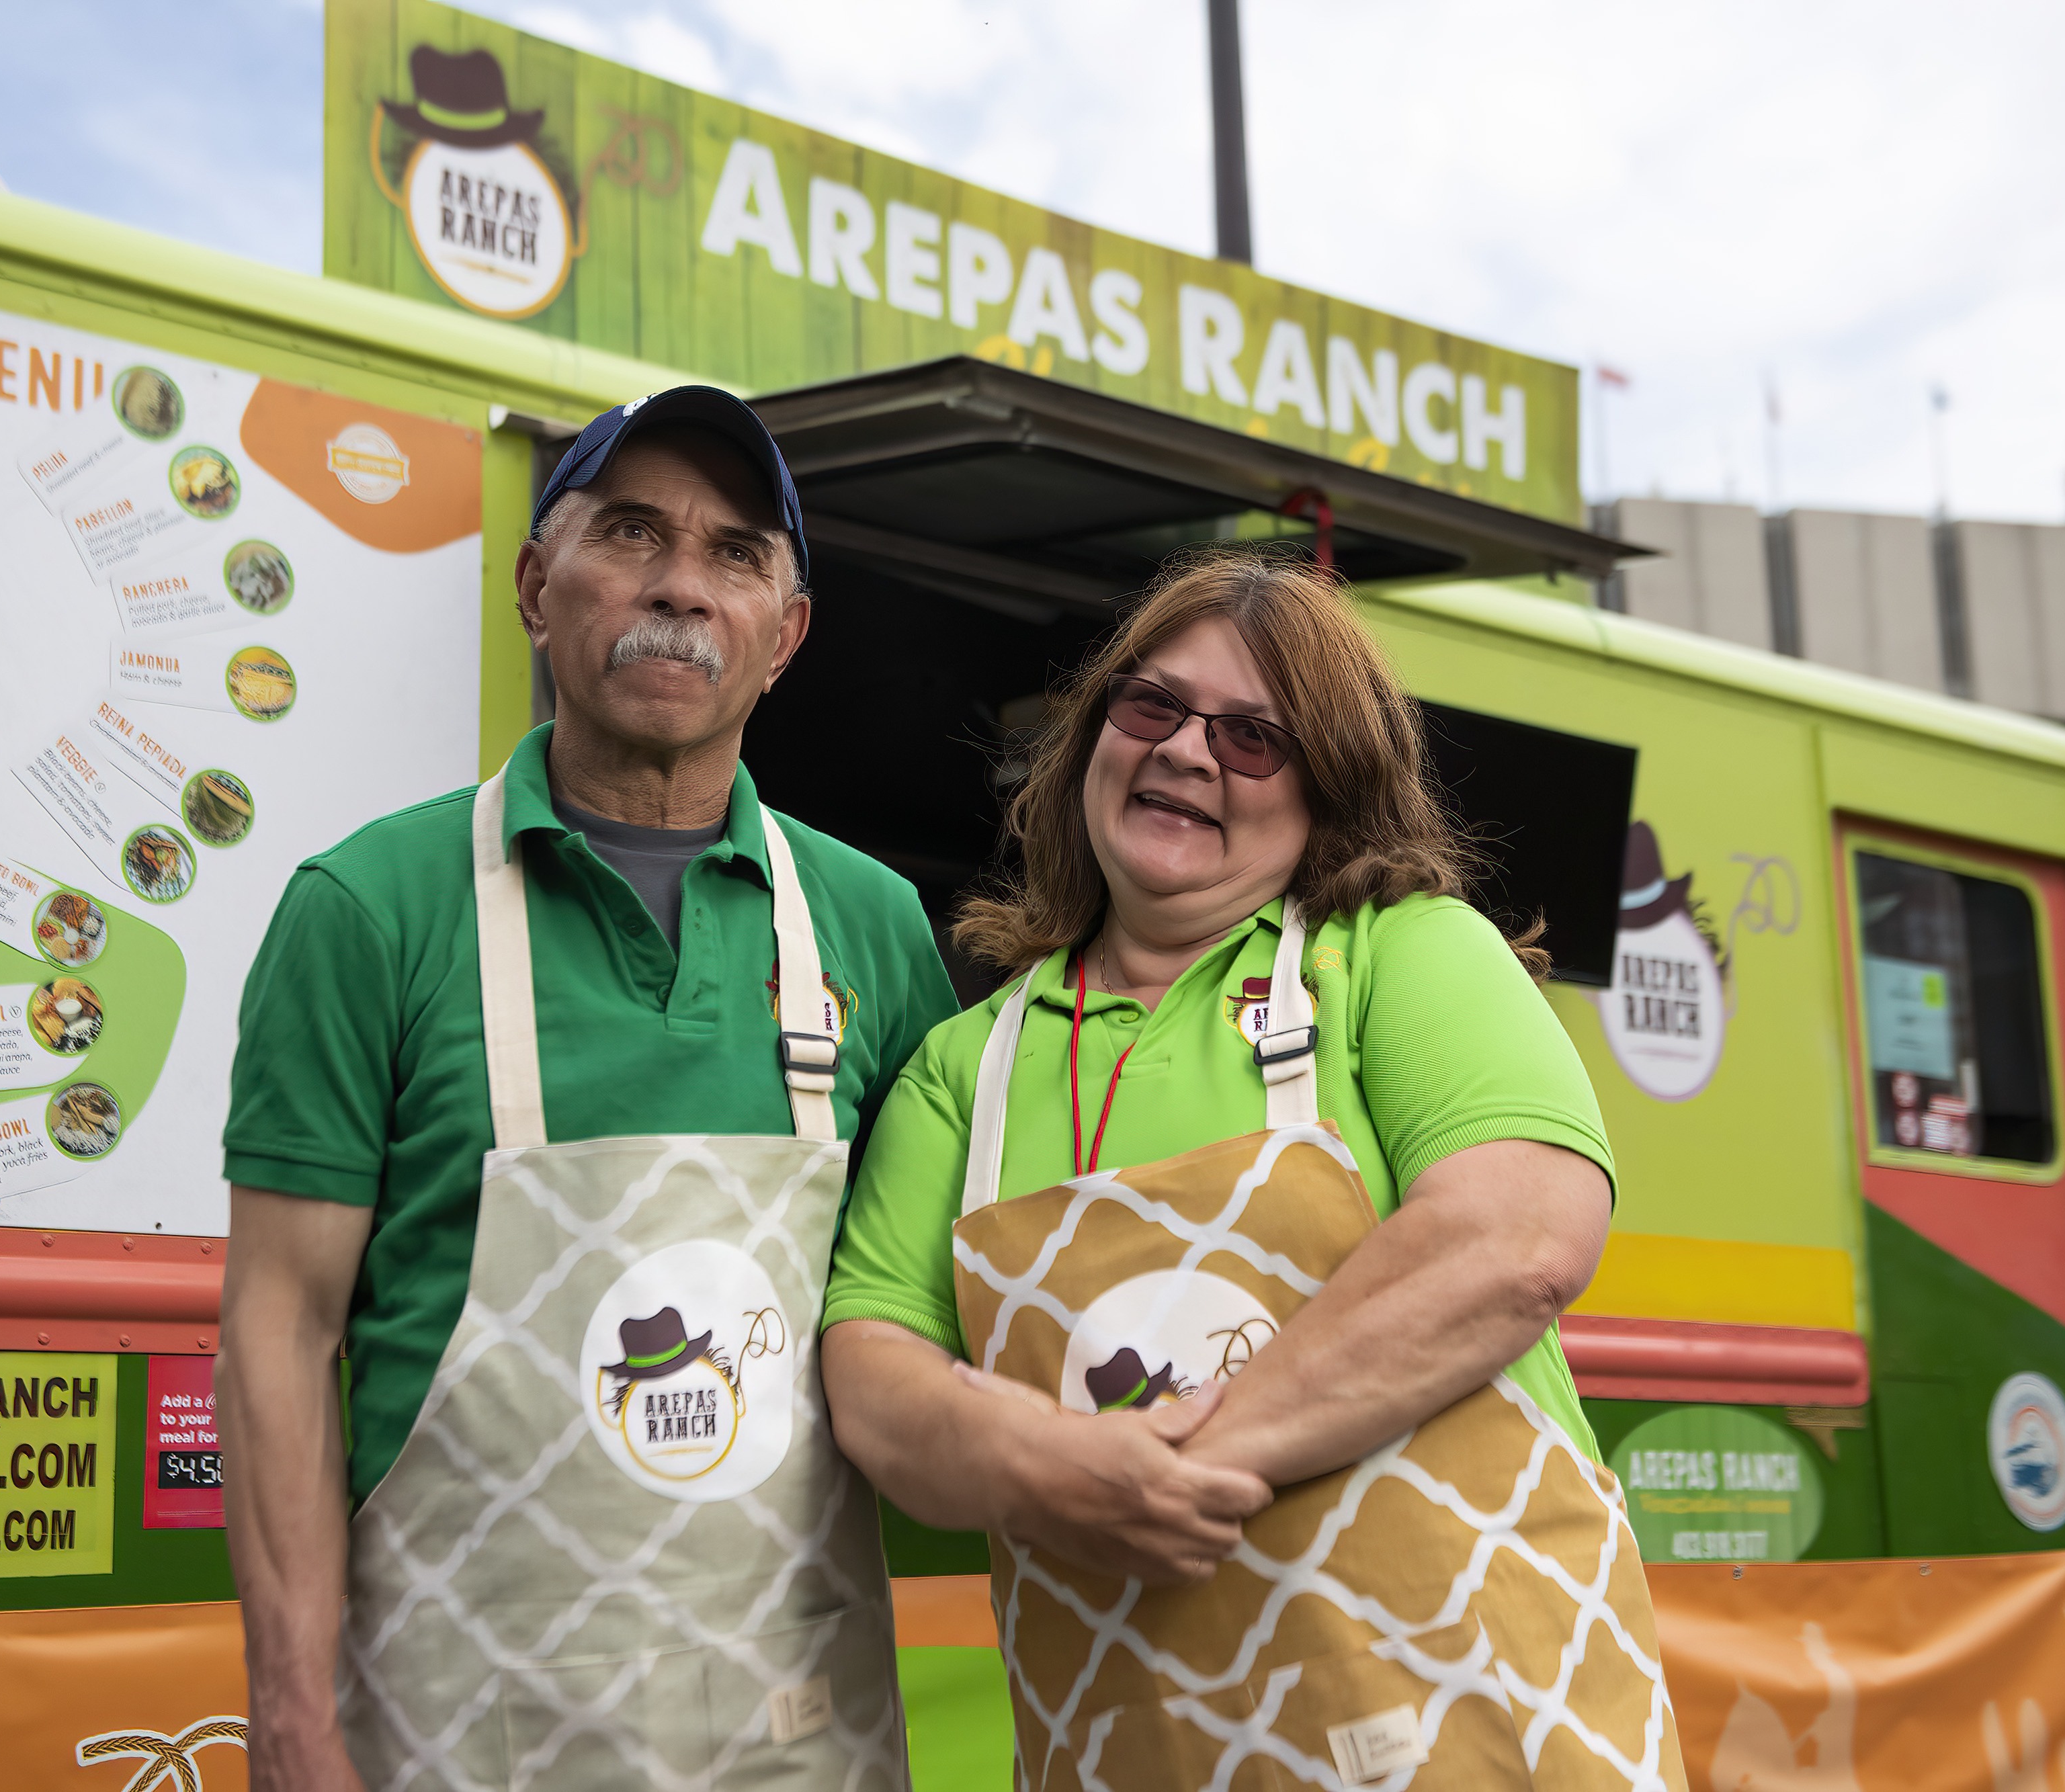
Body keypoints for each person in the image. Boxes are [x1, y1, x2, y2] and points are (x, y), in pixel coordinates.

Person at [821, 550, 1689, 1789]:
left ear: (1327, 792)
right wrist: (1046, 1467)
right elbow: (872, 1374)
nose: (1186, 752)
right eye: (1153, 706)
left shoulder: (1405, 957)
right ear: (1092, 744)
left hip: (1481, 1738)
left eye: (1254, 738)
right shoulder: (965, 1069)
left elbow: (1518, 1241)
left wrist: (1166, 1471)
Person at [219, 387, 956, 1792]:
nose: (682, 584)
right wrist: (290, 1715)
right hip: (453, 1728)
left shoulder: (870, 927)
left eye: (738, 553)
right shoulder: (368, 909)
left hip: (794, 1729)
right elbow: (280, 1323)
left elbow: (932, 1307)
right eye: (630, 532)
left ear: (784, 634)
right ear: (534, 583)